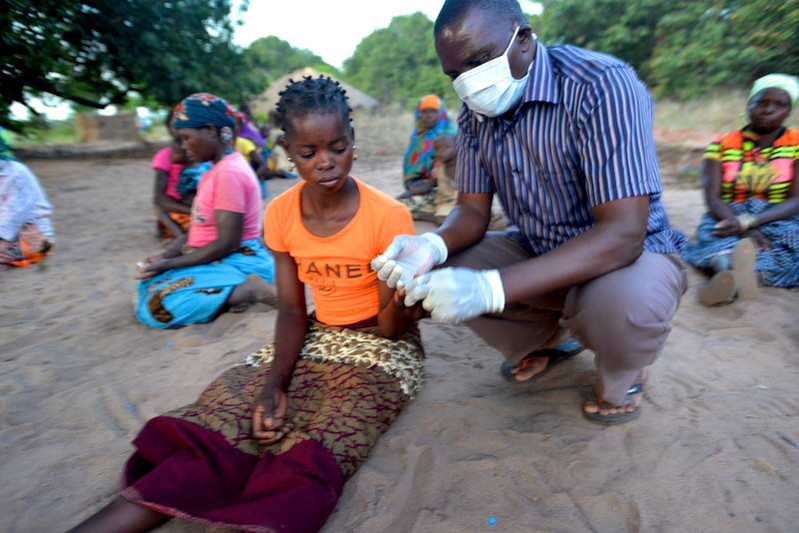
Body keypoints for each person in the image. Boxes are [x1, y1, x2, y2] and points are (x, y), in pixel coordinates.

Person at [68, 75, 423, 533]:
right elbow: (294, 311)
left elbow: (392, 328)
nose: (326, 163)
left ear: (353, 141)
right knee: (228, 416)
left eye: (338, 147)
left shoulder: (388, 215)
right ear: (287, 152)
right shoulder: (281, 214)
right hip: (317, 332)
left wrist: (404, 295)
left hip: (385, 346)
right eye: (309, 153)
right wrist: (275, 381)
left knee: (317, 444)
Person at [372, 0, 688, 425]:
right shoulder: (475, 115)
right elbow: (470, 211)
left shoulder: (601, 85)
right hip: (540, 251)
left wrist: (490, 288)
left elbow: (623, 234)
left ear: (524, 39)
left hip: (627, 259)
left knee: (621, 306)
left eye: (479, 60)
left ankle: (622, 372)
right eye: (454, 75)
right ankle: (551, 339)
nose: (467, 82)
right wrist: (431, 244)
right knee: (441, 273)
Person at [134, 93, 276, 329]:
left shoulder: (229, 174)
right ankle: (228, 296)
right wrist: (163, 258)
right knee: (146, 287)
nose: (182, 146)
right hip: (221, 258)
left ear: (210, 130)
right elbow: (197, 232)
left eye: (186, 137)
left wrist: (168, 265)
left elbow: (227, 243)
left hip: (239, 260)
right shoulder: (214, 170)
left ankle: (248, 290)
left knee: (157, 307)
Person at [683, 74, 799, 304]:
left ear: (789, 111)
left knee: (790, 245)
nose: (769, 110)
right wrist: (742, 228)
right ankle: (727, 268)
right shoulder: (722, 144)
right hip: (728, 213)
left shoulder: (796, 142)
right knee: (715, 237)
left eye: (779, 105)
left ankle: (740, 276)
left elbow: (797, 200)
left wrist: (751, 223)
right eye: (762, 102)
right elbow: (713, 198)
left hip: (780, 214)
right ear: (749, 105)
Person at [0, 128, 55, 267]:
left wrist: (2, 240)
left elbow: (16, 212)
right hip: (5, 228)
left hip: (30, 230)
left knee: (22, 249)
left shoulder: (17, 173)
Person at [398, 95, 458, 218]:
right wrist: (412, 189)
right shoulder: (417, 136)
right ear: (418, 114)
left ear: (441, 113)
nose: (429, 115)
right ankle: (433, 211)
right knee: (400, 206)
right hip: (426, 187)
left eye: (433, 111)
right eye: (424, 111)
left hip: (449, 189)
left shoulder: (452, 135)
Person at [151, 111, 193, 239]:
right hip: (178, 206)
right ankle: (180, 234)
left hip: (194, 204)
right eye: (174, 126)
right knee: (159, 205)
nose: (179, 130)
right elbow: (160, 197)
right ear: (168, 129)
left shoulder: (201, 155)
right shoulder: (165, 156)